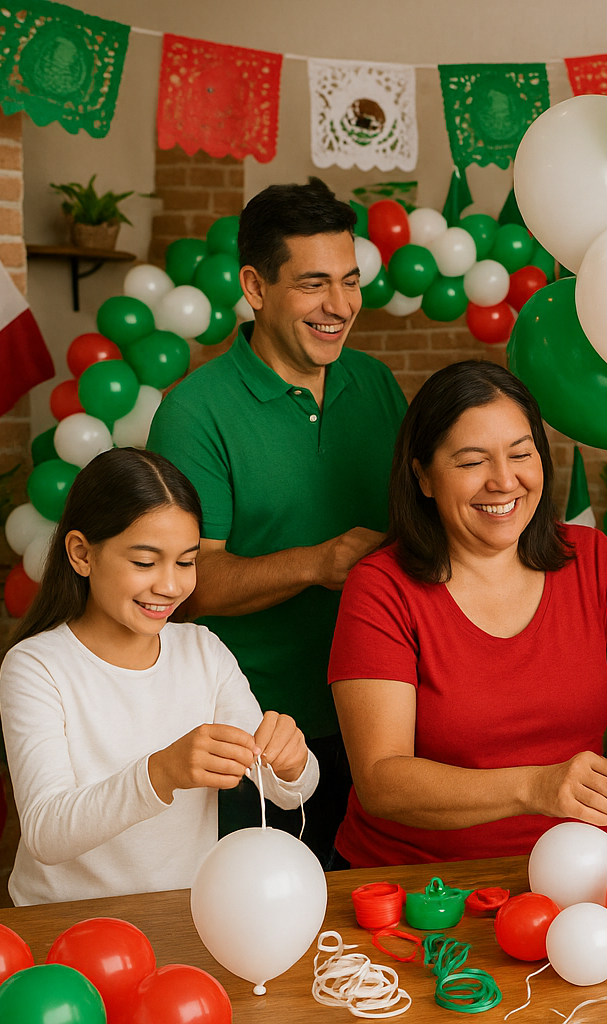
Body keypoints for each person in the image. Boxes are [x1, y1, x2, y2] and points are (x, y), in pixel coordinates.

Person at [327, 360, 607, 867]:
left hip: (578, 874)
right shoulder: (380, 588)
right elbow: (382, 781)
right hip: (418, 890)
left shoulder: (593, 559)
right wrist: (536, 786)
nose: (503, 481)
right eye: (472, 462)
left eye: (521, 453)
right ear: (422, 475)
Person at [147, 178, 406, 866]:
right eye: (314, 284)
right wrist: (322, 563)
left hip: (385, 722)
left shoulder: (378, 385)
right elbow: (188, 585)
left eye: (350, 282)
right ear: (256, 288)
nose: (341, 306)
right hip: (257, 735)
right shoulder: (194, 411)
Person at [0, 449, 318, 906]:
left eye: (186, 562)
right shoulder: (37, 666)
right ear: (81, 554)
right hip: (65, 924)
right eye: (146, 563)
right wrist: (161, 771)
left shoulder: (203, 652)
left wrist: (292, 764)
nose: (170, 586)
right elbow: (46, 833)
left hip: (180, 917)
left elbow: (289, 793)